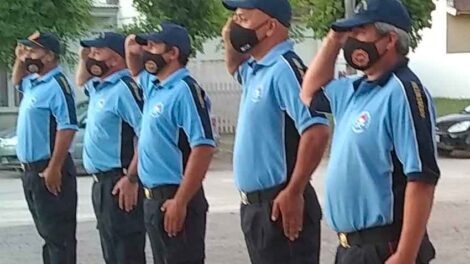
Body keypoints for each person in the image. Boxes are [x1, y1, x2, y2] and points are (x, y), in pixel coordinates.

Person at [300, 0, 439, 263]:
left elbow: (422, 179)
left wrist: (405, 255)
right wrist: (333, 39)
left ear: (389, 39)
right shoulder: (353, 88)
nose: (352, 40)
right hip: (351, 248)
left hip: (384, 247)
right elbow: (309, 93)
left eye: (361, 32)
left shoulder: (404, 92)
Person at [221, 0, 330, 263]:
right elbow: (234, 67)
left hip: (280, 203)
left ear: (269, 26)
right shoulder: (256, 69)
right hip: (256, 208)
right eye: (235, 18)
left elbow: (316, 130)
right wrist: (229, 38)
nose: (236, 25)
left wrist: (294, 191)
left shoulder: (285, 68)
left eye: (244, 18)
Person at [125, 22, 216, 264]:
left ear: (173, 53)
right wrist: (132, 49)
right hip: (153, 198)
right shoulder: (155, 86)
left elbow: (204, 146)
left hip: (175, 196)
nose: (147, 51)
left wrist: (181, 201)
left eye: (154, 46)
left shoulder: (185, 89)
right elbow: (135, 71)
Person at [75, 32, 146, 264]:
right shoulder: (99, 87)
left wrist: (132, 178)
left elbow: (146, 133)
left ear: (115, 58)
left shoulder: (124, 88)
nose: (91, 57)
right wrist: (84, 55)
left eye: (97, 52)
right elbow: (80, 80)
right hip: (101, 183)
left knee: (126, 251)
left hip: (120, 180)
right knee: (111, 250)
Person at [12, 31, 78, 264]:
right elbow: (16, 81)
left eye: (33, 50)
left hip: (48, 168)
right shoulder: (35, 82)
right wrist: (20, 59)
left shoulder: (57, 84)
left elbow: (67, 127)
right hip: (30, 170)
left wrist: (54, 167)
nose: (28, 55)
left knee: (59, 237)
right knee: (47, 235)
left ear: (49, 56)